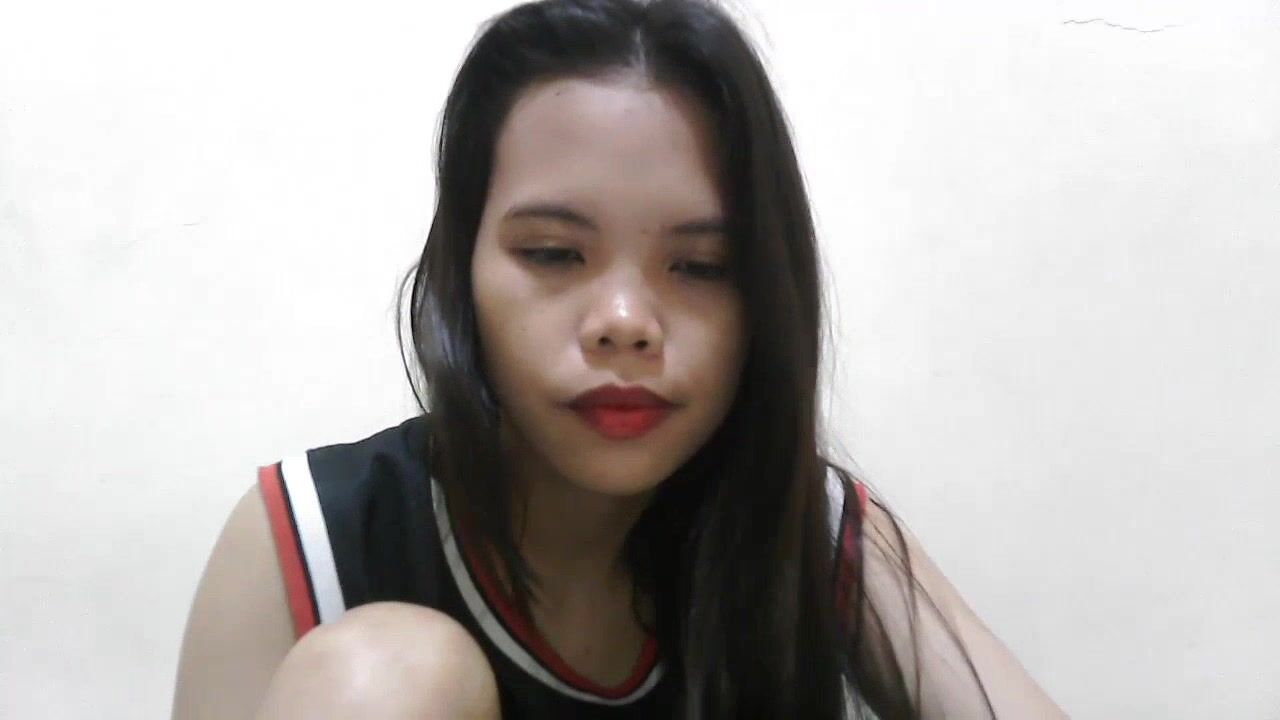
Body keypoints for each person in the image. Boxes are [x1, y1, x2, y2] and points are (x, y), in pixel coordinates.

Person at [172, 0, 1068, 717]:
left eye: (702, 267)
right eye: (554, 254)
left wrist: (844, 545)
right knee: (390, 673)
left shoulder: (808, 528)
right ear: (460, 270)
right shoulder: (314, 536)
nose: (626, 323)